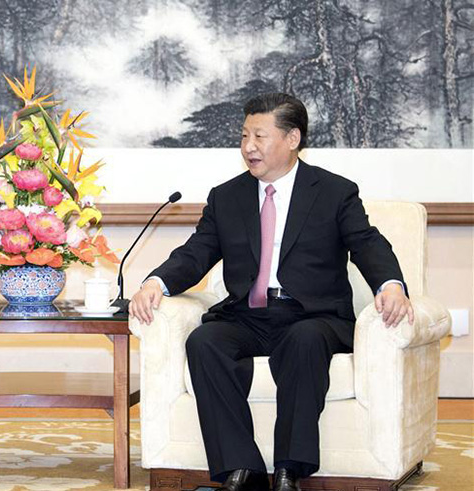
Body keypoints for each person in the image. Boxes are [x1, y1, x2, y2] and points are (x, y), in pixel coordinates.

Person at [130, 93, 414, 491]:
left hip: (314, 316)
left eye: (260, 136)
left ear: (293, 138)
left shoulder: (334, 192)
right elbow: (197, 252)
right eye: (245, 136)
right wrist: (155, 283)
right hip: (249, 314)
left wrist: (390, 285)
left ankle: (289, 470)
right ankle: (240, 469)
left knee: (303, 340)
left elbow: (367, 242)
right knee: (205, 342)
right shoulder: (226, 196)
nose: (248, 147)